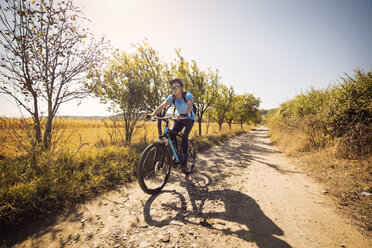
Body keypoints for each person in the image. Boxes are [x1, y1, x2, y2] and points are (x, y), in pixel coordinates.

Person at [149, 78, 195, 168]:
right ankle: (176, 152)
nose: (174, 89)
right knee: (170, 133)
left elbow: (189, 103)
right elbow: (163, 105)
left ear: (181, 87)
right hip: (179, 118)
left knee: (184, 136)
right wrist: (152, 114)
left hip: (189, 118)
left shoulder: (188, 95)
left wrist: (186, 113)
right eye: (173, 88)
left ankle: (185, 158)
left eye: (176, 87)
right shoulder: (172, 97)